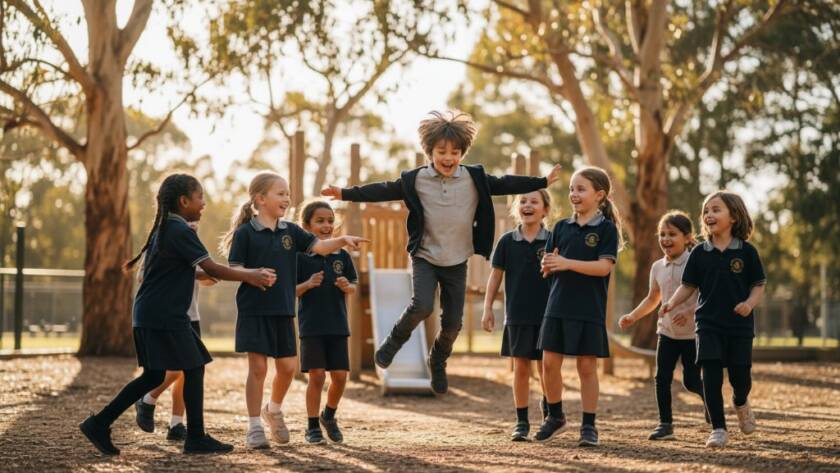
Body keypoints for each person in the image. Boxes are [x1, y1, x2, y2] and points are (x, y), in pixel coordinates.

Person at [322, 110, 561, 394]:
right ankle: (394, 340)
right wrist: (344, 193)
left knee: (452, 324)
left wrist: (542, 182)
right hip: (425, 254)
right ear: (430, 151)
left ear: (462, 152)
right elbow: (383, 190)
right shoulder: (416, 179)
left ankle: (437, 360)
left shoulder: (475, 177)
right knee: (422, 305)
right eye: (441, 151)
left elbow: (507, 183)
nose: (448, 158)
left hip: (457, 258)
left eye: (455, 152)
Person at [80, 173, 276, 455]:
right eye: (200, 198)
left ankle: (99, 423)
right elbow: (213, 267)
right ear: (184, 201)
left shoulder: (167, 229)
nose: (204, 203)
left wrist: (199, 275)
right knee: (193, 366)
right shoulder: (179, 230)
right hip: (164, 316)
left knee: (153, 376)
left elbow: (179, 270)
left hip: (149, 314)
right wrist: (251, 276)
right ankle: (196, 437)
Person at [220, 172, 367, 449]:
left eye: (288, 194)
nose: (287, 199)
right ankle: (254, 427)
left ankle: (273, 410)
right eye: (280, 193)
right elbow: (234, 269)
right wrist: (254, 274)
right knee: (259, 368)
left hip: (284, 311)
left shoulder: (291, 232)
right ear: (260, 199)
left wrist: (343, 239)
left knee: (287, 368)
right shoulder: (245, 234)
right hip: (254, 310)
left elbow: (321, 246)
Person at [661, 191, 765, 448]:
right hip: (707, 323)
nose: (709, 215)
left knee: (741, 378)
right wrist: (672, 302)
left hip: (739, 326)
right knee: (711, 374)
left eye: (716, 210)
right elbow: (688, 286)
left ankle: (740, 402)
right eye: (706, 211)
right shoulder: (699, 253)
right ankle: (718, 428)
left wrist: (749, 304)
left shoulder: (747, 252)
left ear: (733, 216)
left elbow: (758, 285)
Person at [536, 166, 622, 447]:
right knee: (549, 364)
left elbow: (603, 268)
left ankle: (589, 426)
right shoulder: (560, 227)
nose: (574, 193)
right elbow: (549, 263)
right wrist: (547, 266)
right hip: (557, 305)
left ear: (600, 195)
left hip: (589, 309)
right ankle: (556, 416)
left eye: (581, 189)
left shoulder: (607, 230)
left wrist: (566, 263)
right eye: (572, 188)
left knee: (586, 367)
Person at [618, 211, 707, 441]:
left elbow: (707, 296)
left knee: (691, 381)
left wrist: (689, 312)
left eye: (672, 234)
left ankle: (711, 402)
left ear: (688, 237)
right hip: (666, 332)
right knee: (662, 377)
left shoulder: (696, 262)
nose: (666, 239)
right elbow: (652, 298)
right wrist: (633, 316)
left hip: (692, 334)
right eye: (663, 234)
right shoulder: (657, 266)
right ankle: (665, 425)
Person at [134, 220, 218, 441]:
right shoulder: (163, 241)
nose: (193, 224)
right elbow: (142, 276)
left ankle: (176, 423)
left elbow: (209, 278)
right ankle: (148, 399)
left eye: (196, 222)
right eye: (189, 221)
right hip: (170, 317)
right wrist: (191, 271)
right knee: (177, 369)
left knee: (187, 373)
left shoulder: (194, 246)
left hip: (192, 316)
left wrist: (208, 274)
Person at [481, 190, 552, 441]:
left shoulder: (554, 240)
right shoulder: (506, 242)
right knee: (521, 367)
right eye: (523, 201)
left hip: (548, 316)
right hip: (518, 315)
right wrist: (488, 307)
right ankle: (521, 422)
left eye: (534, 201)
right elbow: (495, 276)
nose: (528, 205)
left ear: (545, 210)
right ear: (516, 208)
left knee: (547, 368)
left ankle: (550, 416)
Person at [295, 200, 357, 444]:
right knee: (317, 375)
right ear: (306, 225)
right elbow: (291, 291)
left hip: (338, 325)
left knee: (340, 377)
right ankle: (312, 426)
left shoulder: (342, 255)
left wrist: (347, 286)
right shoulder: (300, 257)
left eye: (330, 220)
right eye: (320, 221)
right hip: (311, 326)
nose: (327, 225)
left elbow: (352, 285)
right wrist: (308, 284)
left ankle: (328, 415)